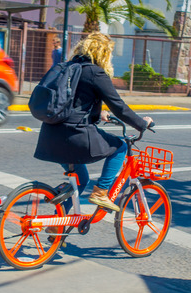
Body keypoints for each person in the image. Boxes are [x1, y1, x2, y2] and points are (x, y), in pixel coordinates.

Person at [34, 32, 153, 212]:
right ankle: (100, 192)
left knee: (81, 179)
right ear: (104, 53)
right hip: (75, 137)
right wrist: (142, 124)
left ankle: (57, 227)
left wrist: (98, 114)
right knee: (120, 146)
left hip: (50, 136)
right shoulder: (95, 73)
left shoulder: (69, 67)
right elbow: (119, 107)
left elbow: (72, 104)